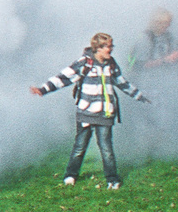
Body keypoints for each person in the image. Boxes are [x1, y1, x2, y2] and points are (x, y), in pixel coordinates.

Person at [30, 31, 151, 188]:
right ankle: (70, 175)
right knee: (80, 147)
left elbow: (122, 82)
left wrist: (140, 96)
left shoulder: (111, 64)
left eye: (111, 46)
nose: (111, 49)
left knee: (106, 149)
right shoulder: (84, 63)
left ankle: (112, 179)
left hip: (106, 113)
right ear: (98, 48)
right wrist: (43, 89)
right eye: (108, 46)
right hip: (86, 113)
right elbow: (63, 77)